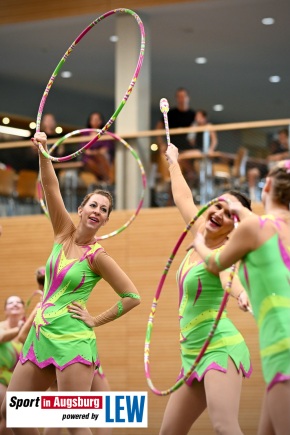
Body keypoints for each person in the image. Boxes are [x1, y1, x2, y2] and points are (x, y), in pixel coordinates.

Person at [1, 131, 141, 435]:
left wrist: (94, 320)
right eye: (93, 205)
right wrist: (43, 150)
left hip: (73, 341)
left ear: (105, 221)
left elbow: (132, 296)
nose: (98, 211)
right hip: (41, 335)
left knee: (74, 423)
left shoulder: (98, 256)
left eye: (104, 210)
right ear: (81, 209)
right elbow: (50, 186)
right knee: (11, 411)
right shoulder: (62, 232)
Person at [159, 143, 252, 435]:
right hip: (192, 352)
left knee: (224, 426)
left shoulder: (224, 253)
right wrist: (173, 160)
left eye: (228, 213)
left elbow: (228, 278)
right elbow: (183, 196)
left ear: (233, 228)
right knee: (169, 432)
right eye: (217, 205)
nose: (219, 213)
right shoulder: (199, 231)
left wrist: (242, 294)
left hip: (219, 347)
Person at [193, 159, 290, 435]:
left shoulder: (254, 229)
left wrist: (198, 242)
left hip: (282, 345)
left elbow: (215, 264)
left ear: (266, 186)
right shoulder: (274, 228)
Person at [0, 296, 25, 435]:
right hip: (1, 380)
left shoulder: (28, 331)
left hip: (19, 381)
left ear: (23, 309)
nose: (14, 304)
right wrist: (19, 329)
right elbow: (2, 337)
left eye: (18, 302)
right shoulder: (1, 327)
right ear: (5, 310)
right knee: (10, 413)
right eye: (10, 302)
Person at [247, 128, 290, 201]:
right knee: (251, 173)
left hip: (279, 171)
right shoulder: (279, 148)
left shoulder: (288, 149)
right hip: (268, 167)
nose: (281, 139)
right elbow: (269, 158)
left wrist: (281, 156)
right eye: (280, 137)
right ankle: (253, 197)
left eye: (282, 137)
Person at [81, 112, 115, 185]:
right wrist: (95, 152)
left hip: (101, 158)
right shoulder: (85, 134)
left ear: (101, 121)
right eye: (93, 119)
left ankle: (106, 179)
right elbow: (85, 150)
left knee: (100, 157)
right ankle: (107, 179)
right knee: (90, 161)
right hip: (89, 159)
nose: (95, 121)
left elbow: (105, 149)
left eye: (97, 119)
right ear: (90, 121)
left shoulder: (106, 133)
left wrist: (95, 153)